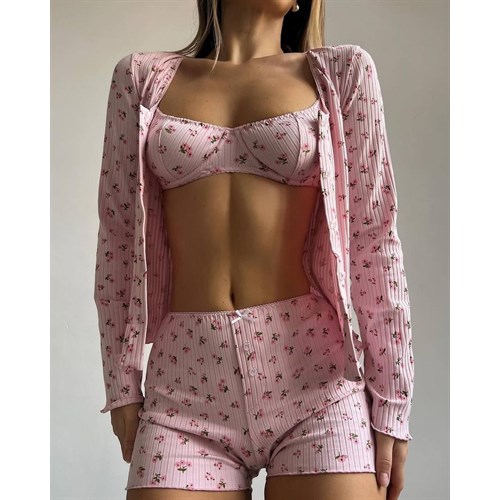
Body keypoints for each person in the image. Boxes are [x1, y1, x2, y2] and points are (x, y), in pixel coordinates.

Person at [93, 1, 415, 499]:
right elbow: (117, 236)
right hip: (184, 384)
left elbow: (373, 238)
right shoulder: (141, 78)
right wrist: (121, 383)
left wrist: (392, 398)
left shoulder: (342, 73)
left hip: (317, 383)